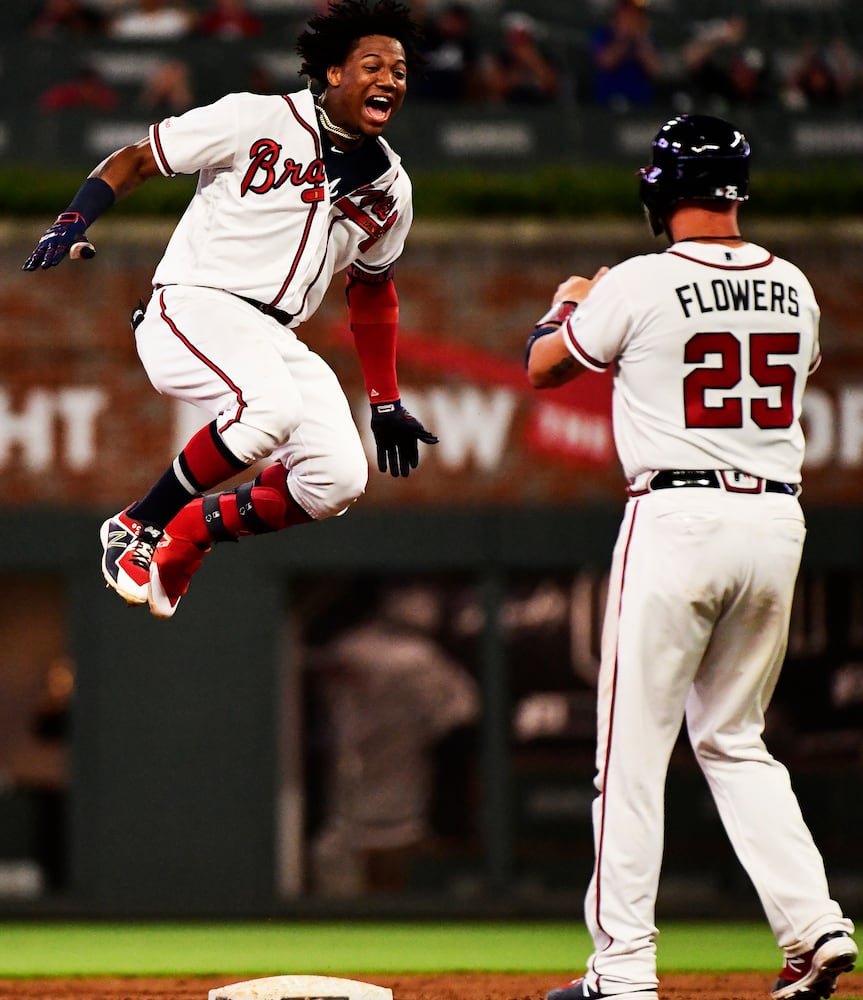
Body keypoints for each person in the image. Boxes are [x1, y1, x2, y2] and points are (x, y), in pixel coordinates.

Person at [525, 114, 857, 1000]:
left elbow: (544, 369)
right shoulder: (793, 283)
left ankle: (623, 972)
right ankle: (815, 927)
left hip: (676, 516)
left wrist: (565, 302)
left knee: (630, 755)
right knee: (735, 739)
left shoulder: (639, 279)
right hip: (774, 524)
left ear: (659, 191)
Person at [23, 0, 438, 620]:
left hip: (273, 336)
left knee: (337, 478)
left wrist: (385, 400)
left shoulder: (391, 187)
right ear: (332, 73)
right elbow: (137, 158)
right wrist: (73, 218)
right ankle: (135, 526)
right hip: (195, 304)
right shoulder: (257, 118)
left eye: (400, 72)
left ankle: (189, 532)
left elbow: (373, 289)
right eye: (373, 66)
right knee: (268, 410)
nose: (389, 80)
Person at [588, 0, 662, 110]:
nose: (630, 21)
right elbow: (606, 61)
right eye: (626, 16)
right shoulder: (603, 35)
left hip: (642, 105)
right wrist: (624, 40)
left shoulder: (646, 40)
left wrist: (640, 41)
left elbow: (656, 69)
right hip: (607, 104)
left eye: (634, 17)